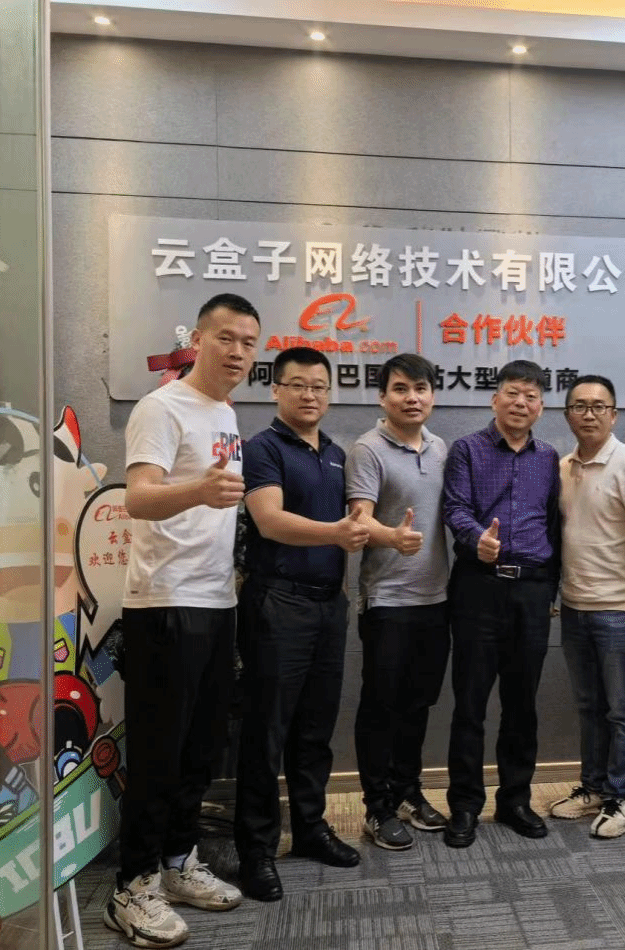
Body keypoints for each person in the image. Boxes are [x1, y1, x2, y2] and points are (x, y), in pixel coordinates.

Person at [106, 293, 258, 949]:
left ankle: (176, 863)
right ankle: (131, 887)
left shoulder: (224, 412)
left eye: (249, 342)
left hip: (216, 602)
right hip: (165, 603)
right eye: (226, 337)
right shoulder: (160, 407)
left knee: (200, 750)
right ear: (197, 340)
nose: (237, 352)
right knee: (158, 756)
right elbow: (138, 497)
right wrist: (199, 490)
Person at [234, 346, 370, 903]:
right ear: (276, 390)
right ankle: (256, 851)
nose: (309, 395)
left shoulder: (335, 454)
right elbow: (269, 521)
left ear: (329, 394)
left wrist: (382, 537)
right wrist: (336, 533)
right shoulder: (261, 448)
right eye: (297, 385)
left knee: (315, 729)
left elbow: (353, 525)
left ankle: (310, 829)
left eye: (318, 386)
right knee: (266, 731)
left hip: (327, 606)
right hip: (278, 603)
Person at [441, 360, 561, 848]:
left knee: (522, 703)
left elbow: (553, 522)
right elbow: (454, 508)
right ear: (495, 399)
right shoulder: (467, 449)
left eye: (531, 396)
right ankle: (465, 805)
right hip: (479, 587)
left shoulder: (549, 457)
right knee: (470, 703)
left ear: (541, 407)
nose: (520, 403)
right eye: (512, 393)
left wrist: (550, 588)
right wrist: (478, 540)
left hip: (531, 590)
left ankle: (515, 799)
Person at [549, 375, 625, 838]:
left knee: (621, 710)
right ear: (568, 416)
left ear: (614, 415)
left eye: (599, 406)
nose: (590, 414)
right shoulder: (563, 467)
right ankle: (594, 788)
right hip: (574, 606)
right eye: (580, 406)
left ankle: (622, 798)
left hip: (618, 609)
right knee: (588, 706)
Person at [345, 354, 451, 850]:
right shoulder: (368, 449)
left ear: (432, 395)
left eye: (421, 388)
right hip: (387, 600)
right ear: (383, 396)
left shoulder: (439, 447)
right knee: (381, 706)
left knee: (417, 703)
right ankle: (377, 805)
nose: (412, 398)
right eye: (401, 389)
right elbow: (358, 519)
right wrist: (391, 536)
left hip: (436, 597)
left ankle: (408, 791)